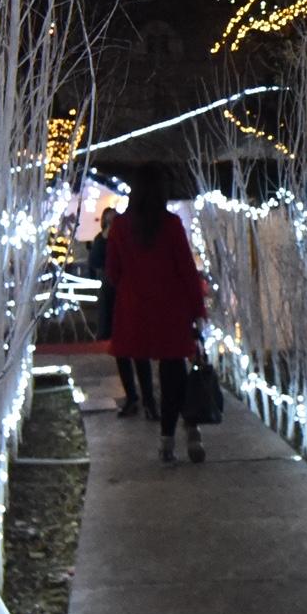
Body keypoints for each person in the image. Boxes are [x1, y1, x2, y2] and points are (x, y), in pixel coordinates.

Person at [102, 168, 210, 464]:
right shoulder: (172, 224)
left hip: (135, 309)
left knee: (141, 362)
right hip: (170, 309)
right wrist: (197, 310)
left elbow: (112, 272)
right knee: (173, 371)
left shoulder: (121, 227)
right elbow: (186, 271)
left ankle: (152, 412)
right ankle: (169, 438)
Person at [86, 206, 143, 417]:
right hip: (112, 297)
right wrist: (104, 238)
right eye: (109, 221)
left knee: (136, 349)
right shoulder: (102, 240)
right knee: (121, 350)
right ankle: (133, 396)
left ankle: (144, 398)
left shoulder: (129, 238)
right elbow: (95, 262)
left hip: (128, 295)